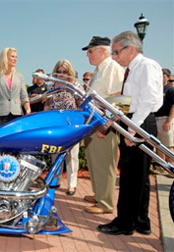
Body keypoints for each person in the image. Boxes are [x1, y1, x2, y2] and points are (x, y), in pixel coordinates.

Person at [98, 31, 163, 236]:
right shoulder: (134, 69)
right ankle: (141, 221)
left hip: (140, 122)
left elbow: (149, 100)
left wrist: (133, 128)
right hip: (136, 120)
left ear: (131, 49)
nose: (115, 57)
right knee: (139, 177)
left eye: (116, 52)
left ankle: (124, 223)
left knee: (130, 176)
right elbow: (133, 99)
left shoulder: (145, 66)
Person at [81, 36, 124, 214]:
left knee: (104, 163)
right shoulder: (100, 69)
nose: (88, 55)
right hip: (93, 122)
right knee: (95, 161)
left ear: (102, 51)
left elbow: (120, 97)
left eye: (90, 51)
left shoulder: (112, 67)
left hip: (102, 124)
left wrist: (105, 125)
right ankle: (99, 193)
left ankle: (105, 202)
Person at [43, 59, 80, 196]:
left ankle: (72, 184)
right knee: (55, 153)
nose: (61, 74)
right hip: (55, 124)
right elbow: (47, 103)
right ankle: (56, 180)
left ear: (69, 72)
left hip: (72, 124)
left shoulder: (75, 86)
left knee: (72, 155)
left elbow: (81, 103)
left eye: (64, 72)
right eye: (58, 72)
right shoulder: (51, 86)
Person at [0, 47, 31, 129]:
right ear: (5, 57)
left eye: (16, 57)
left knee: (16, 141)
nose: (15, 59)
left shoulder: (20, 76)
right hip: (0, 116)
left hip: (17, 115)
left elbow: (24, 96)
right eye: (12, 56)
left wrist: (28, 109)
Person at [151, 68, 174, 175]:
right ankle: (163, 167)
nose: (161, 78)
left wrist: (169, 121)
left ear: (168, 78)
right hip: (155, 119)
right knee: (158, 144)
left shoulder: (170, 90)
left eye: (164, 76)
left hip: (165, 119)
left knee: (168, 145)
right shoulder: (156, 89)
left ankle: (172, 167)